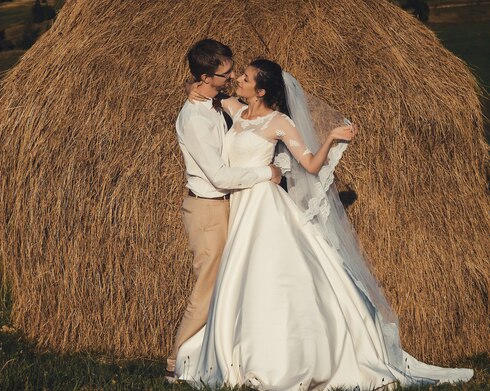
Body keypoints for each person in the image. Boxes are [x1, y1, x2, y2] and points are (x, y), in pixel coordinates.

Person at [175, 59, 474, 390]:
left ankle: (278, 357)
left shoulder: (280, 123)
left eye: (244, 78)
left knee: (270, 276)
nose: (237, 81)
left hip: (265, 206)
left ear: (260, 91)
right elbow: (205, 96)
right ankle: (237, 351)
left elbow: (311, 165)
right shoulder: (234, 107)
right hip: (242, 206)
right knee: (239, 275)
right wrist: (192, 87)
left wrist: (331, 139)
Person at [167, 40, 282, 382]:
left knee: (228, 283)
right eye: (226, 73)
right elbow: (218, 176)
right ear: (206, 76)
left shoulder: (210, 101)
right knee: (207, 288)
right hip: (208, 210)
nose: (232, 77)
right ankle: (174, 365)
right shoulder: (195, 120)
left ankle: (222, 355)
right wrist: (267, 173)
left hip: (226, 207)